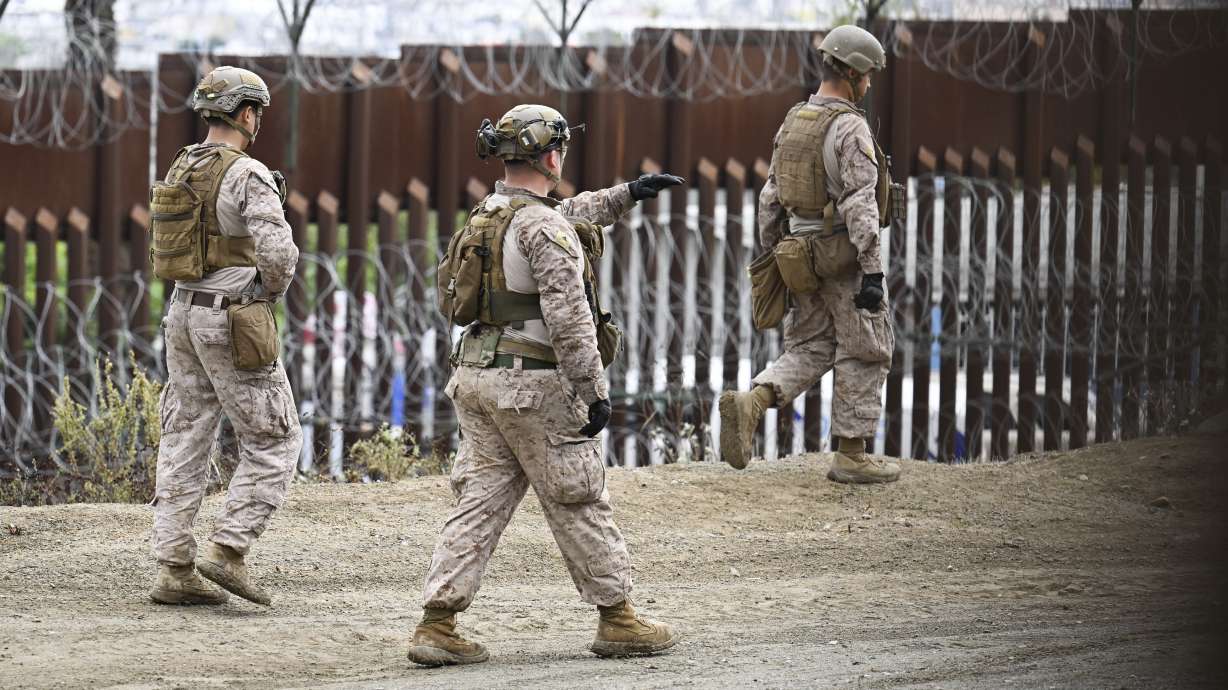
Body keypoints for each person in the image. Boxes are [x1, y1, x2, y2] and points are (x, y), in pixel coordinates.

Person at [407, 104, 684, 666]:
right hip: (535, 388)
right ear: (552, 155)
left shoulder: (491, 212)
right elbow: (569, 317)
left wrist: (627, 193)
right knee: (578, 494)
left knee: (479, 501)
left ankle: (437, 623)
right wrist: (593, 391)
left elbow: (566, 212)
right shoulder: (545, 229)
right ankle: (618, 618)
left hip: (478, 381)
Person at [718, 25, 903, 484]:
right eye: (870, 75)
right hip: (842, 258)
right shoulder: (849, 128)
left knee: (812, 345)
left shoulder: (795, 120)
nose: (871, 84)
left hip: (798, 256)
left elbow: (770, 197)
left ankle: (754, 400)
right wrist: (873, 273)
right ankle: (852, 454)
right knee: (868, 347)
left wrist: (774, 254)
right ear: (856, 73)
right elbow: (861, 204)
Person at [147, 66, 301, 606]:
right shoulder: (248, 173)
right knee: (276, 438)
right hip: (231, 316)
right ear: (246, 113)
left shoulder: (184, 163)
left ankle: (174, 567)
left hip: (182, 311)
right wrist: (263, 292)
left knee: (185, 434)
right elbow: (279, 255)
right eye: (256, 110)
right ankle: (230, 550)